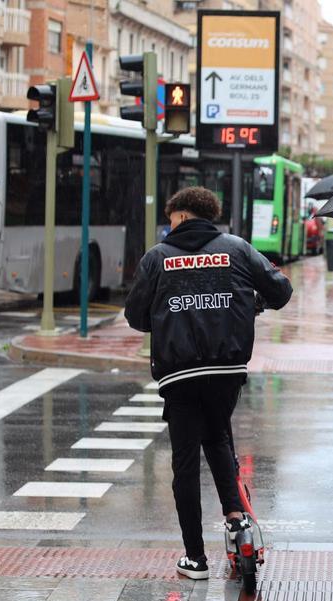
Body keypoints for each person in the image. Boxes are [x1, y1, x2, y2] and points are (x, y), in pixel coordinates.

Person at [125, 186, 293, 580]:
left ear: (181, 216)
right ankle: (237, 522)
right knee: (218, 438)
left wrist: (165, 318)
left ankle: (195, 558)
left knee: (185, 462)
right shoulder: (236, 248)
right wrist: (251, 304)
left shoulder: (157, 258)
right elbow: (281, 291)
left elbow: (135, 316)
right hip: (227, 371)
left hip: (179, 374)